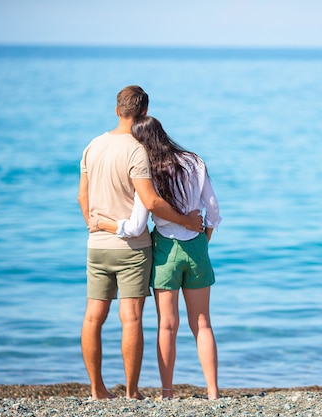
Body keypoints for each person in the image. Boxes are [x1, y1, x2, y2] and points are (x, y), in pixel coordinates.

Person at [77, 86, 204, 400]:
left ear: (116, 110)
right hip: (132, 249)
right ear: (144, 113)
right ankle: (132, 392)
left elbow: (83, 196)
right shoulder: (137, 149)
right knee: (131, 318)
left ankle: (97, 390)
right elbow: (150, 201)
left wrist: (94, 225)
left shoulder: (93, 146)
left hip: (97, 244)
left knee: (93, 316)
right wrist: (187, 221)